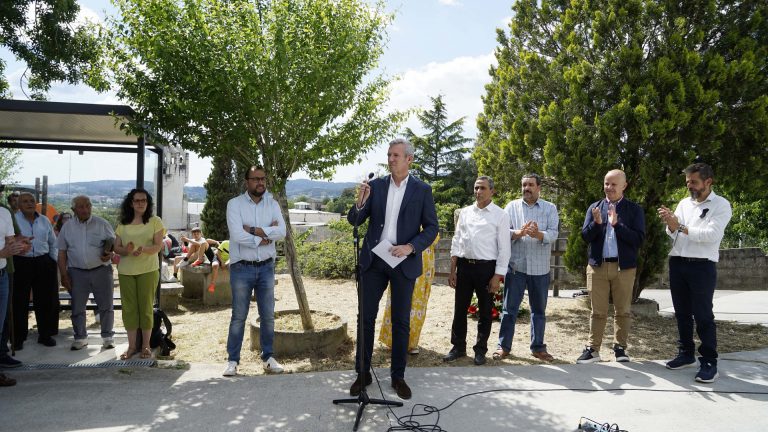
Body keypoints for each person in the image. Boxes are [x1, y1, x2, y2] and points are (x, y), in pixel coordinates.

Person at [347, 138, 438, 400]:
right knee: (365, 317)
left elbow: (431, 228)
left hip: (403, 263)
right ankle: (362, 373)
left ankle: (398, 377)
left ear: (409, 159)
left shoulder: (422, 190)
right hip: (373, 262)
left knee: (400, 322)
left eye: (396, 155)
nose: (391, 159)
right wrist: (360, 202)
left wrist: (411, 247)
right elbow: (355, 221)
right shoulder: (375, 186)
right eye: (389, 155)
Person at [658, 162, 732, 383]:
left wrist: (679, 226)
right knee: (681, 313)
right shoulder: (684, 203)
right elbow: (674, 234)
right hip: (678, 262)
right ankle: (686, 354)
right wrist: (671, 225)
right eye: (688, 181)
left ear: (708, 182)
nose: (690, 185)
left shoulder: (721, 205)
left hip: (702, 266)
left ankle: (709, 361)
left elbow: (710, 234)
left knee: (703, 315)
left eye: (694, 182)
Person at [223, 166, 286, 377]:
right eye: (255, 179)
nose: (260, 182)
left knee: (267, 316)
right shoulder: (235, 204)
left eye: (263, 178)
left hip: (266, 267)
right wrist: (266, 235)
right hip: (242, 268)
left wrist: (252, 229)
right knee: (238, 316)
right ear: (246, 182)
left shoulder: (272, 203)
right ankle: (232, 360)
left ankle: (268, 358)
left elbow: (282, 231)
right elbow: (236, 235)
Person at [576, 169, 645, 364]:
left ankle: (620, 349)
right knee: (597, 311)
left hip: (624, 268)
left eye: (614, 184)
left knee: (622, 310)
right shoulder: (595, 208)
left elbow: (638, 239)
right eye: (606, 183)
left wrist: (617, 225)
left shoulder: (634, 209)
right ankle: (593, 349)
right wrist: (597, 224)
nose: (609, 188)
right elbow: (585, 237)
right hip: (598, 267)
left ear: (624, 186)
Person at [444, 176, 510, 366]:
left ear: (492, 191)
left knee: (485, 312)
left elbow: (504, 248)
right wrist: (452, 270)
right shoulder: (464, 212)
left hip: (486, 269)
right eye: (475, 188)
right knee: (459, 309)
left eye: (482, 188)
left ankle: (480, 350)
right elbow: (457, 241)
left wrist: (498, 276)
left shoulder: (500, 215)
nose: (478, 191)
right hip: (464, 266)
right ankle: (458, 347)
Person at [495, 173, 559, 362]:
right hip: (516, 268)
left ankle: (538, 347)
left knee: (538, 311)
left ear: (539, 187)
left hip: (539, 270)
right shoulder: (511, 207)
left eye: (530, 185)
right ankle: (503, 346)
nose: (526, 188)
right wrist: (518, 232)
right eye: (524, 185)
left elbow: (554, 233)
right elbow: (502, 232)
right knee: (509, 310)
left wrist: (539, 234)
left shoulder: (550, 208)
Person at [56, 195, 116, 351]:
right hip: (77, 272)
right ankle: (80, 338)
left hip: (101, 270)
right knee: (77, 307)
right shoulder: (67, 227)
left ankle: (108, 337)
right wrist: (64, 275)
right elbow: (61, 252)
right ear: (73, 209)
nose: (85, 209)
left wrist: (109, 253)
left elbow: (114, 243)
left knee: (106, 306)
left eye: (88, 206)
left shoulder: (102, 224)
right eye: (81, 207)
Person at [114, 188, 164, 360]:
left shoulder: (155, 221)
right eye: (137, 200)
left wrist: (143, 250)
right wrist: (126, 251)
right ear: (131, 203)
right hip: (126, 271)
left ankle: (146, 346)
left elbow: (158, 246)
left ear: (148, 202)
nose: (140, 203)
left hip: (148, 270)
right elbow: (117, 248)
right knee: (129, 309)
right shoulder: (123, 223)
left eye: (143, 200)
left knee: (145, 308)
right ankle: (131, 347)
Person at [12, 192, 60, 348]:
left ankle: (45, 335)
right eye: (25, 201)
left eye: (31, 200)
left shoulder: (44, 220)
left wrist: (52, 260)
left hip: (43, 262)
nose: (29, 203)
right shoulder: (13, 221)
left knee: (46, 300)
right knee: (19, 301)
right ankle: (18, 338)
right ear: (18, 205)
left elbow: (53, 242)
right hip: (21, 263)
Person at [378, 234, 440, 355]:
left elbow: (433, 238)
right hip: (404, 260)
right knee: (399, 300)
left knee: (418, 303)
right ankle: (393, 340)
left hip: (424, 265)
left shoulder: (430, 220)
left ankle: (411, 342)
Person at [0, 204, 30, 386]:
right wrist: (2, 253)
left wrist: (20, 246)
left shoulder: (3, 212)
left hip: (2, 274)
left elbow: (9, 241)